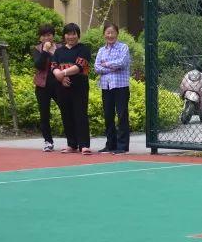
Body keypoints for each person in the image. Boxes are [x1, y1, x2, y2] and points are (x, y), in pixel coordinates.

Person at [52, 22, 93, 154]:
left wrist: (63, 73)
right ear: (64, 36)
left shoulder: (84, 49)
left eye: (74, 34)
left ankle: (84, 145)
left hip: (79, 87)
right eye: (68, 34)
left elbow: (79, 66)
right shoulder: (58, 51)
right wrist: (60, 77)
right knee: (66, 115)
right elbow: (54, 66)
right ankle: (72, 144)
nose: (71, 37)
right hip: (62, 87)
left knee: (80, 114)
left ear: (78, 35)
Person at [94, 22, 132, 154]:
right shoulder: (101, 50)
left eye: (112, 32)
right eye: (108, 32)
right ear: (104, 34)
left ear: (117, 34)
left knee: (122, 115)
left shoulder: (123, 47)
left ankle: (122, 146)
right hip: (106, 86)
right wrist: (112, 67)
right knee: (108, 115)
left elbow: (122, 63)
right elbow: (97, 67)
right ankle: (110, 144)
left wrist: (106, 64)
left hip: (121, 86)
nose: (110, 35)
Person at [32, 23, 61, 152]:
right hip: (42, 86)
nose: (46, 38)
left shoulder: (60, 48)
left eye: (49, 35)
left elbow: (63, 62)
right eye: (43, 36)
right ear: (40, 38)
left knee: (66, 110)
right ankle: (48, 141)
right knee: (44, 114)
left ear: (53, 36)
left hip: (59, 84)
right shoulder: (37, 49)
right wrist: (45, 51)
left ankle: (73, 140)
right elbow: (38, 65)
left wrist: (53, 52)